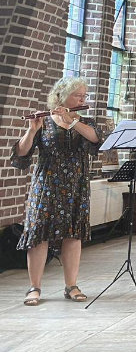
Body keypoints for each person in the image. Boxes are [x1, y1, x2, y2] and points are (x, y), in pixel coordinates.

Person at [13, 77, 102, 305]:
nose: (82, 99)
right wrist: (31, 131)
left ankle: (71, 285)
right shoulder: (44, 121)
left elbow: (95, 140)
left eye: (84, 95)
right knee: (38, 234)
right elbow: (21, 155)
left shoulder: (86, 121)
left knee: (73, 234)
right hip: (46, 185)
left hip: (75, 185)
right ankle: (34, 287)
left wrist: (72, 121)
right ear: (61, 96)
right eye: (78, 95)